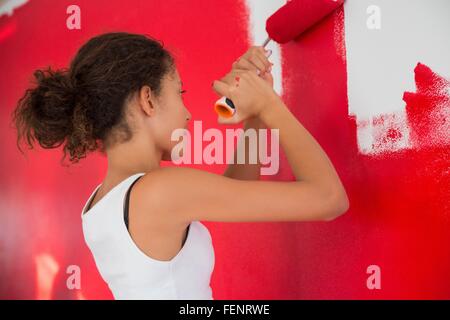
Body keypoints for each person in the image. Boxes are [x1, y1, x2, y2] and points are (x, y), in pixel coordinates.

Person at [11, 32, 349, 299]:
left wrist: (256, 114)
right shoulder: (158, 192)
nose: (188, 113)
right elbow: (330, 199)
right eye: (179, 91)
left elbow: (235, 192)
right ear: (148, 99)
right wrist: (271, 105)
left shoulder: (102, 201)